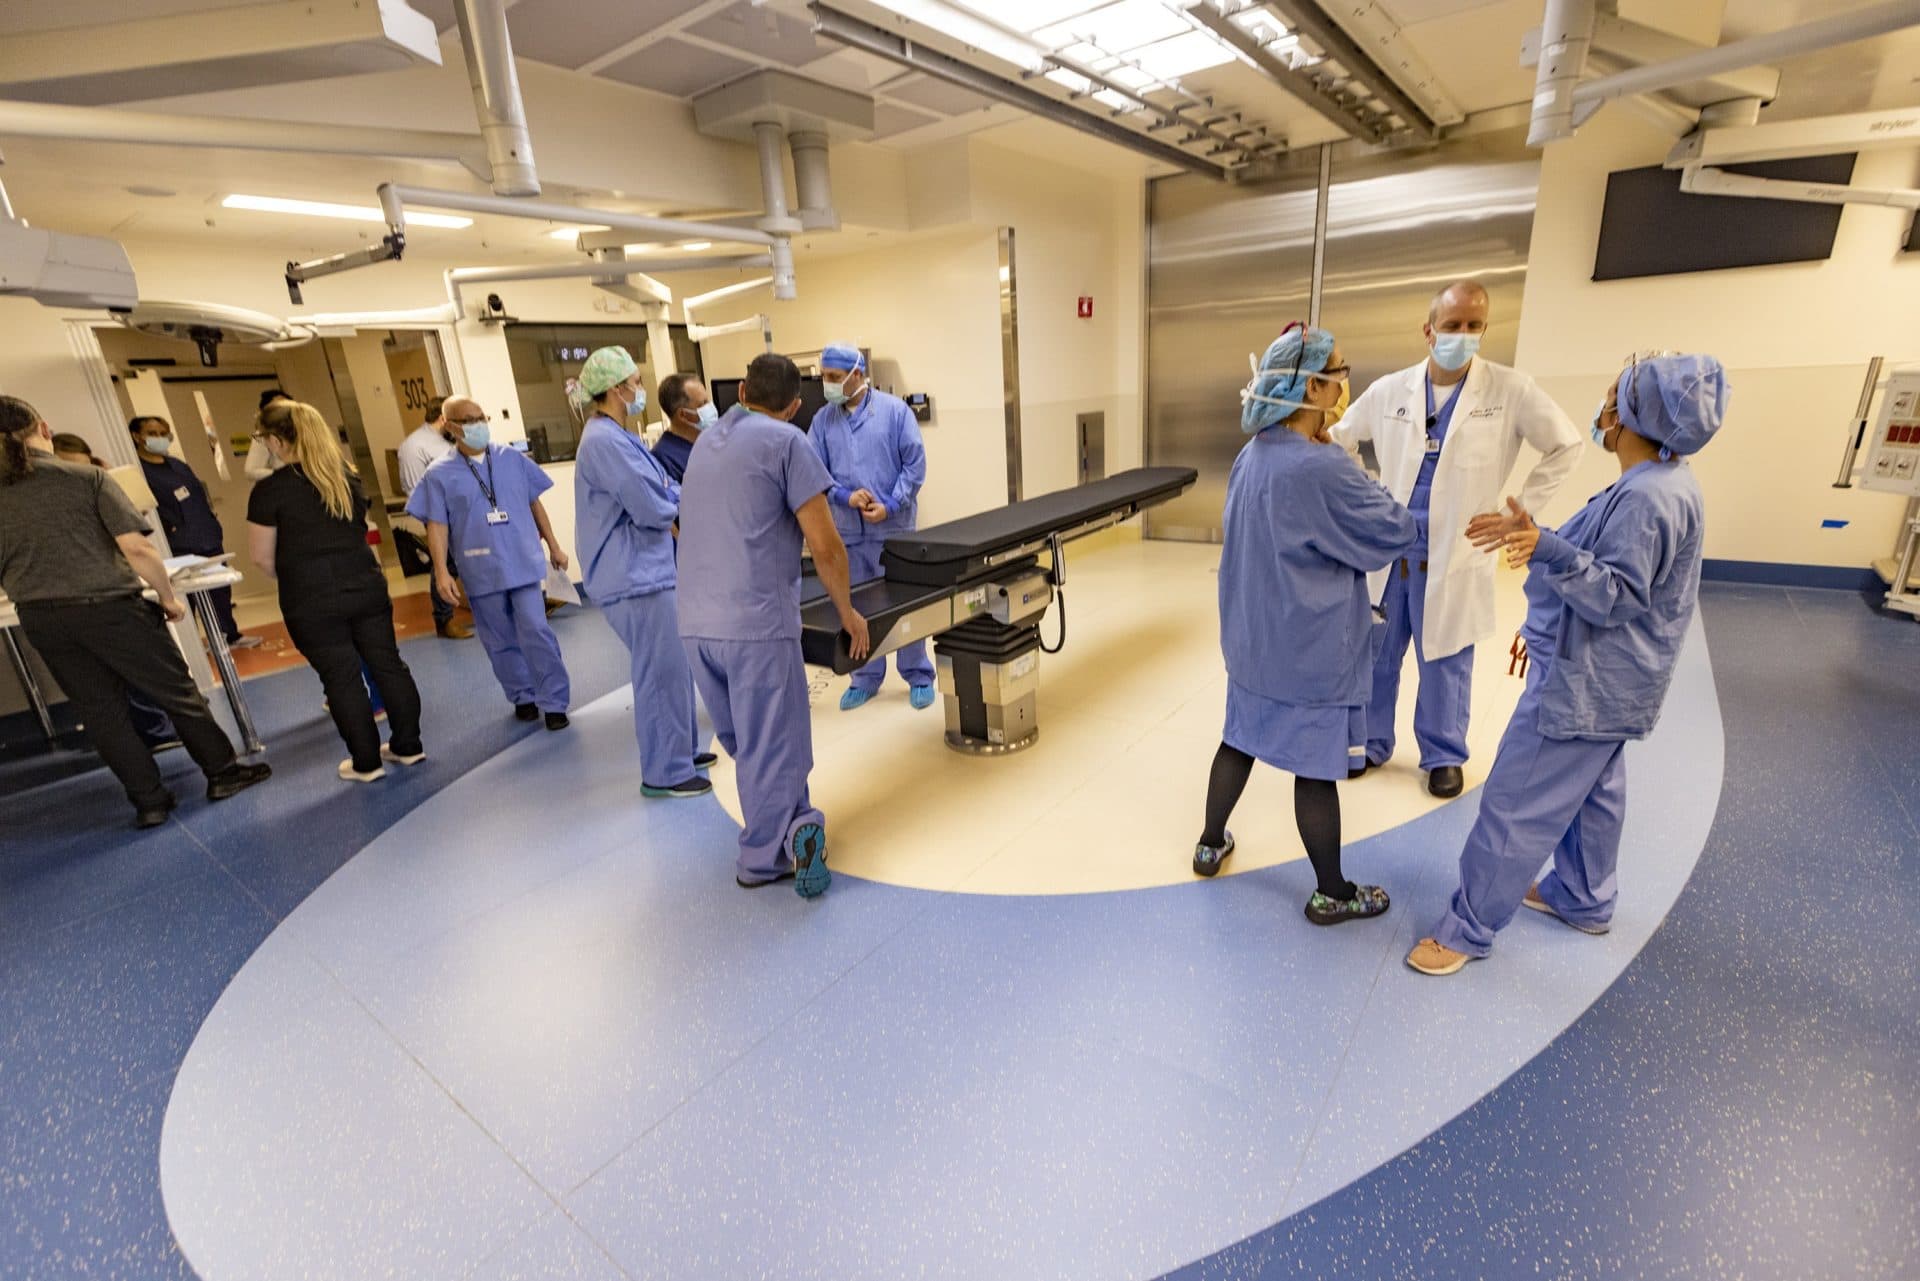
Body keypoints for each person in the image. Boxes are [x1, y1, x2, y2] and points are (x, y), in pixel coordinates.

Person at [1406, 353, 1724, 977]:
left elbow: (1615, 594)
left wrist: (1547, 553)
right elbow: (1606, 569)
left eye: (1614, 398)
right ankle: (1583, 896)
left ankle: (1468, 927)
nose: (1604, 408)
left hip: (1587, 685)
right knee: (1594, 792)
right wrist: (1541, 544)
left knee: (1516, 802)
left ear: (1637, 417)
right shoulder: (1660, 482)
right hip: (1615, 687)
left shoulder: (1647, 499)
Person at [1191, 325, 1417, 924]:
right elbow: (1393, 530)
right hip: (1308, 649)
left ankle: (1211, 842)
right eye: (1338, 374)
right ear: (1311, 386)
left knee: (1238, 738)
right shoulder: (1323, 468)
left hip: (1252, 641)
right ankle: (1332, 893)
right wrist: (1354, 468)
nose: (1345, 384)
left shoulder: (1252, 454)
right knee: (1315, 773)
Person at [1330, 280, 1581, 798]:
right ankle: (1371, 743)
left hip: (1456, 548)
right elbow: (1339, 438)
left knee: (1446, 657)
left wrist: (1522, 510)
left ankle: (1443, 754)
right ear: (1429, 330)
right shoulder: (1391, 390)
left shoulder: (1511, 390)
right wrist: (1366, 493)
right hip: (1391, 546)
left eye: (1473, 326)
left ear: (1484, 329)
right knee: (1376, 648)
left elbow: (1566, 444)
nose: (1462, 335)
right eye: (1452, 326)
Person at [0, 396, 270, 827]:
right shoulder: (85, 478)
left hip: (43, 618)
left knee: (100, 711)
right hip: (109, 606)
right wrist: (167, 596)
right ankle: (223, 772)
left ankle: (149, 802)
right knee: (175, 691)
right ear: (45, 429)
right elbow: (137, 548)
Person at [676, 353, 870, 896]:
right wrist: (847, 613)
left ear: (741, 389)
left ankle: (791, 818)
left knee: (751, 741)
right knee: (772, 741)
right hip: (753, 624)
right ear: (793, 407)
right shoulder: (788, 442)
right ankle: (767, 856)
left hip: (695, 622)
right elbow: (826, 547)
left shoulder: (703, 446)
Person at [247, 400, 425, 783]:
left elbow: (262, 559)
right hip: (365, 584)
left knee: (341, 679)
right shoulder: (346, 476)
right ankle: (409, 747)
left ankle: (367, 764)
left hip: (311, 597)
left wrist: (300, 572)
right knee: (388, 664)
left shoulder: (270, 491)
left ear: (276, 441)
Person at [572, 347, 713, 798]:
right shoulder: (603, 441)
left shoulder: (620, 434)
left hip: (648, 570)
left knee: (674, 668)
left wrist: (674, 497)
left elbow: (664, 487)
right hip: (633, 576)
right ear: (616, 389)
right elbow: (653, 504)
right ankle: (665, 772)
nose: (640, 389)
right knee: (657, 674)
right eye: (635, 380)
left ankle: (684, 750)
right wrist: (679, 502)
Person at [406, 396, 573, 730]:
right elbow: (436, 526)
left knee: (536, 631)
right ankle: (522, 695)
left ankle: (554, 701)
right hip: (480, 568)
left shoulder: (511, 459)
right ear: (450, 426)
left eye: (482, 417)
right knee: (498, 639)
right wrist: (441, 572)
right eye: (468, 419)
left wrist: (554, 545)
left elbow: (534, 503)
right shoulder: (439, 474)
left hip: (522, 561)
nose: (478, 424)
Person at [806, 342, 934, 712]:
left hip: (894, 530)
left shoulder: (895, 413)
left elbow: (915, 465)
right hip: (848, 531)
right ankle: (865, 676)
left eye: (832, 378)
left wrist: (892, 503)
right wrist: (844, 495)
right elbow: (814, 471)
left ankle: (918, 675)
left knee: (905, 604)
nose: (826, 385)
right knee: (856, 606)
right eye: (824, 377)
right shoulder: (823, 421)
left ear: (856, 375)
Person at [44, 431, 181, 750]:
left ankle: (162, 724)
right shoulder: (51, 497)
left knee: (150, 666)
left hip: (117, 584)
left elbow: (133, 531)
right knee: (116, 676)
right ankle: (153, 731)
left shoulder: (96, 483)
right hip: (91, 596)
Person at [130, 415, 260, 649]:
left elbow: (198, 496)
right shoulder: (141, 472)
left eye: (164, 433)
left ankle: (229, 635)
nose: (160, 439)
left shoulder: (177, 465)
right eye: (153, 433)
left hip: (206, 536)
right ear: (137, 436)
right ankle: (192, 647)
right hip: (178, 543)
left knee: (220, 592)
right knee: (187, 598)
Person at [398, 394, 473, 640]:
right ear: (444, 418)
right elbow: (414, 488)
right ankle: (444, 621)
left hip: (466, 511)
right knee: (445, 564)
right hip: (440, 516)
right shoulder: (414, 446)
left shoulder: (447, 440)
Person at [651, 373, 716, 485]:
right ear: (683, 415)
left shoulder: (705, 442)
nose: (710, 407)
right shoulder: (665, 460)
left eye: (708, 401)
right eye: (703, 404)